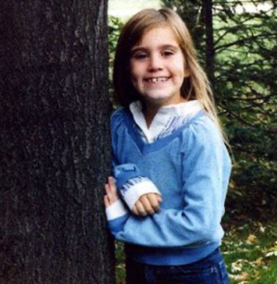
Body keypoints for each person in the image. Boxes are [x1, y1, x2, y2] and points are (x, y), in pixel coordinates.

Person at [104, 8, 232, 284]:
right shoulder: (120, 123)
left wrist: (126, 225)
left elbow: (201, 225)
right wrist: (129, 179)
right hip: (138, 268)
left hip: (194, 272)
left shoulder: (199, 133)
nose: (154, 64)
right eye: (141, 55)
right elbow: (107, 167)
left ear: (186, 65)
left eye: (167, 53)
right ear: (127, 67)